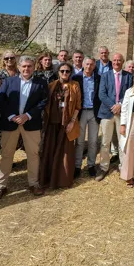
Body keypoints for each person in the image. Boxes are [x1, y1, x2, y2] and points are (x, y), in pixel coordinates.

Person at [0, 56, 49, 202]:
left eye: (29, 66)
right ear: (19, 67)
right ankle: (1, 186)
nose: (26, 69)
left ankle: (33, 184)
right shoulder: (9, 81)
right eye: (24, 66)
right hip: (10, 123)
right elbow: (0, 100)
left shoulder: (41, 83)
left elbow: (43, 101)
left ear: (34, 67)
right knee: (7, 155)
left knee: (33, 154)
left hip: (31, 123)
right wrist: (12, 116)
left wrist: (27, 115)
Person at [38, 62, 82, 190]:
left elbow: (78, 106)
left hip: (67, 125)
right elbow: (46, 105)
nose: (64, 73)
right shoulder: (51, 86)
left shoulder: (75, 86)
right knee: (50, 150)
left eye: (67, 71)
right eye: (62, 71)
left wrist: (72, 122)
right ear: (58, 72)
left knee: (65, 153)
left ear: (70, 73)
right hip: (52, 124)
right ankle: (48, 178)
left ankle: (62, 180)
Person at [96, 52, 133, 181]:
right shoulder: (105, 76)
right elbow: (102, 94)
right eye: (115, 60)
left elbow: (130, 93)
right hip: (107, 113)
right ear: (112, 62)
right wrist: (114, 106)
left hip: (122, 114)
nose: (117, 62)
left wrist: (121, 105)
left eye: (119, 60)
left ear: (122, 62)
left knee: (123, 141)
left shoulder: (129, 76)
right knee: (105, 142)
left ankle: (124, 167)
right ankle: (103, 167)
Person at [75, 57, 102, 178]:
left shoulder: (98, 78)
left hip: (93, 112)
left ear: (94, 66)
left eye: (91, 64)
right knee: (80, 141)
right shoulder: (76, 78)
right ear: (83, 65)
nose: (89, 66)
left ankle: (91, 165)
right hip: (80, 112)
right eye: (87, 64)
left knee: (93, 141)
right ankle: (77, 166)